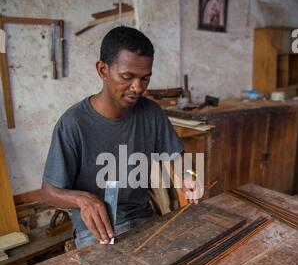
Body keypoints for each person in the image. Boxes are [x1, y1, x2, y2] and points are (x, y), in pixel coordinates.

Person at [42, 26, 201, 248]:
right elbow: (49, 192)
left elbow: (177, 156)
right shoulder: (73, 124)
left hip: (143, 218)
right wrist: (83, 199)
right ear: (102, 70)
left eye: (145, 78)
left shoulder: (151, 113)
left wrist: (187, 175)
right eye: (127, 76)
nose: (137, 88)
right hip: (96, 229)